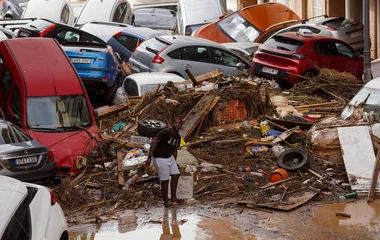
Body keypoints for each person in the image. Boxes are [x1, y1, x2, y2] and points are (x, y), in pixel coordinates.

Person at [146, 118, 183, 207]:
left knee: (176, 175)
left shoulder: (178, 137)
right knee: (165, 180)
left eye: (179, 124)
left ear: (181, 126)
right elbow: (154, 142)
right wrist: (149, 157)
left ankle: (173, 197)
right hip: (160, 158)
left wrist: (174, 160)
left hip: (169, 157)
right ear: (173, 123)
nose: (177, 125)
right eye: (176, 123)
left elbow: (174, 150)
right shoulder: (166, 132)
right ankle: (166, 201)